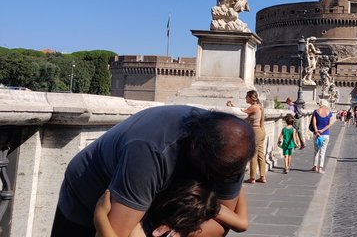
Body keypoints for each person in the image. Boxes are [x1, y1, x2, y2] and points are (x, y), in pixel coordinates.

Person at [52, 105, 255, 236]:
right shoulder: (150, 150)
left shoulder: (233, 152)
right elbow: (116, 231)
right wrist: (99, 219)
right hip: (86, 196)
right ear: (195, 148)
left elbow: (221, 227)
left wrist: (183, 231)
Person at [93, 177, 248, 237]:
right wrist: (236, 184)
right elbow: (242, 224)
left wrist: (99, 216)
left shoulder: (142, 229)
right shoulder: (199, 229)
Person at [228, 90, 267, 183]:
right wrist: (233, 106)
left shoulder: (253, 107)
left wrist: (231, 107)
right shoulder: (259, 107)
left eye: (247, 97)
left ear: (251, 97)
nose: (245, 98)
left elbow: (243, 112)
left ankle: (252, 177)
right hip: (261, 131)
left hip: (255, 131)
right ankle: (262, 176)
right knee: (261, 155)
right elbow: (244, 111)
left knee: (253, 155)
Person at [311, 99, 335, 174]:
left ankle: (315, 166)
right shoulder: (329, 112)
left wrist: (317, 131)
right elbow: (330, 124)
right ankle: (320, 168)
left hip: (317, 134)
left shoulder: (316, 111)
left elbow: (314, 123)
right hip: (325, 134)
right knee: (323, 151)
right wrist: (322, 130)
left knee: (316, 150)